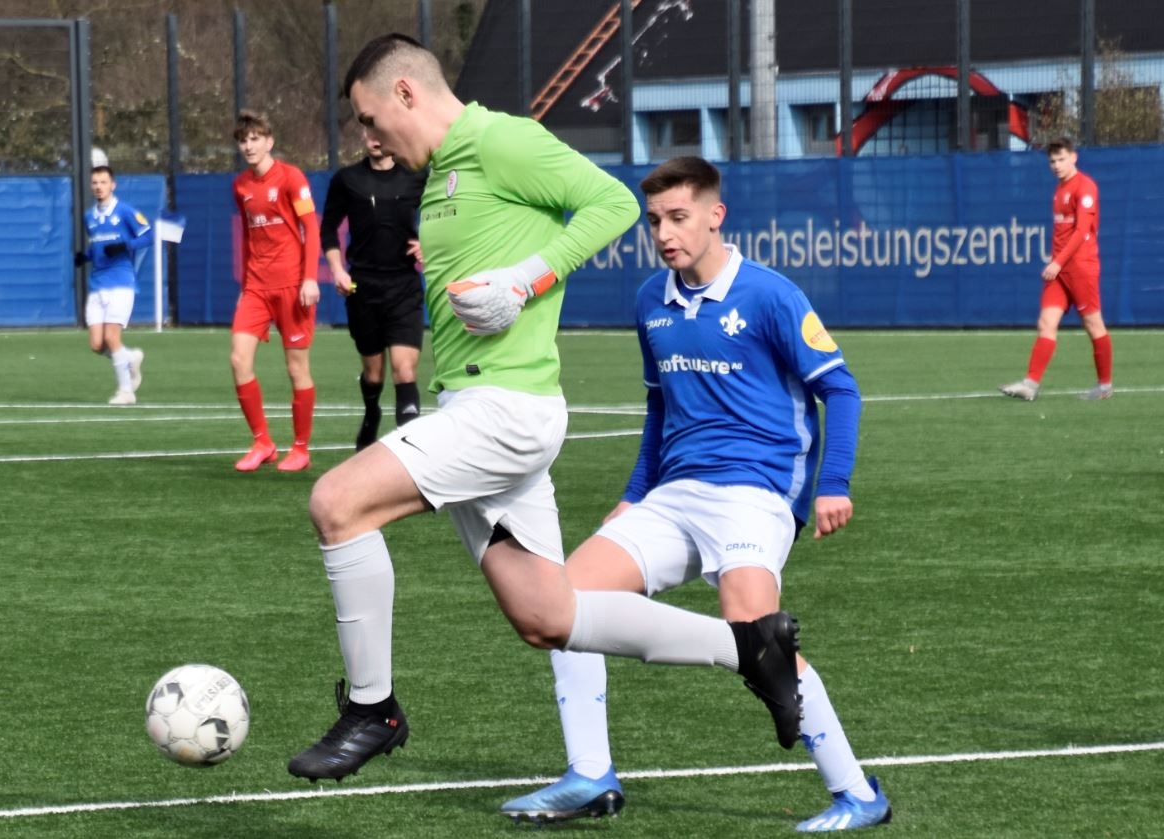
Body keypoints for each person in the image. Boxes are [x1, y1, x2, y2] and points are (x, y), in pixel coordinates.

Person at [287, 34, 806, 790]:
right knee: (549, 617)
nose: (370, 138)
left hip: (505, 411)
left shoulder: (500, 140)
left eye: (370, 118)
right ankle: (750, 648)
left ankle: (373, 708)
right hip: (473, 404)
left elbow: (612, 202)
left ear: (405, 92)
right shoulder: (440, 175)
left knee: (337, 503)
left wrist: (524, 280)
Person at [500, 157, 892, 832]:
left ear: (716, 216)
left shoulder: (769, 295)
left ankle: (857, 794)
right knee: (563, 603)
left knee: (755, 629)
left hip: (756, 492)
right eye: (654, 220)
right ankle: (590, 774)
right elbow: (659, 409)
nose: (664, 233)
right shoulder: (650, 300)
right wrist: (634, 494)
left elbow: (840, 389)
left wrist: (833, 483)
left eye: (678, 217)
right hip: (674, 493)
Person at [321, 131, 429, 450]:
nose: (375, 138)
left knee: (404, 369)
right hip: (363, 289)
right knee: (373, 373)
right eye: (369, 131)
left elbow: (447, 214)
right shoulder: (347, 179)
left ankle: (409, 450)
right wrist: (337, 270)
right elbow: (328, 229)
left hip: (404, 286)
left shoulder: (417, 176)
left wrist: (430, 243)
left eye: (380, 131)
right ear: (363, 135)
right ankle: (371, 412)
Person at [230, 110, 322, 472]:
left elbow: (311, 228)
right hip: (256, 288)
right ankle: (262, 443)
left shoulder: (291, 178)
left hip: (292, 287)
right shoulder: (240, 186)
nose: (249, 146)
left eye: (255, 139)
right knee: (238, 360)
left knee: (296, 368)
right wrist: (244, 285)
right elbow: (247, 238)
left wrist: (310, 278)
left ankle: (300, 449)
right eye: (243, 140)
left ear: (269, 141)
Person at [1000, 136, 1112, 401]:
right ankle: (1030, 385)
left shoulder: (1085, 187)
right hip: (1059, 270)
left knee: (1093, 324)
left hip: (1080, 267)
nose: (1057, 165)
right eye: (1052, 161)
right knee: (1046, 323)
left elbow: (1081, 231)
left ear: (1074, 157)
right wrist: (1058, 263)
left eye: (1061, 159)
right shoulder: (1059, 190)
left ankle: (1105, 386)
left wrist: (1057, 262)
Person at [75, 165, 153, 405]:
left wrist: (126, 246)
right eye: (95, 183)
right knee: (96, 344)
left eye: (103, 182)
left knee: (111, 337)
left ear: (113, 185)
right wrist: (85, 256)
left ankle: (126, 392)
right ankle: (129, 358)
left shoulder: (125, 211)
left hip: (121, 282)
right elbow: (98, 245)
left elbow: (148, 235)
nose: (99, 187)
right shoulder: (89, 217)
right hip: (97, 284)